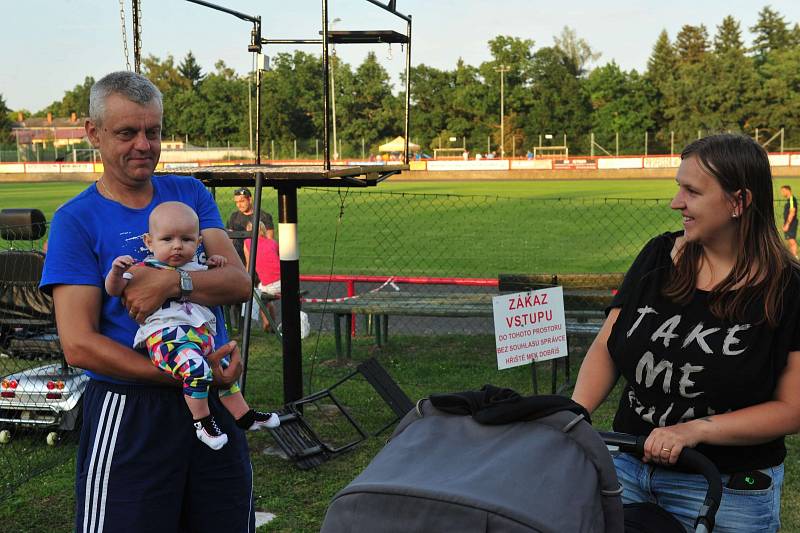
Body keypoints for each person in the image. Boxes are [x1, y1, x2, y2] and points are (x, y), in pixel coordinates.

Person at [40, 71, 257, 532]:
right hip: (131, 409)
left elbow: (239, 281)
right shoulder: (75, 221)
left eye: (153, 131)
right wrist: (187, 373)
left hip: (212, 400)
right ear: (93, 133)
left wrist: (171, 283)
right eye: (127, 132)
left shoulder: (190, 195)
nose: (144, 144)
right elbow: (79, 345)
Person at [572, 134, 800, 532]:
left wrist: (694, 431)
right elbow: (608, 346)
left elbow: (792, 407)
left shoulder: (788, 289)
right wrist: (574, 416)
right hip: (624, 472)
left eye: (692, 191)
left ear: (739, 202)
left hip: (728, 492)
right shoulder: (659, 256)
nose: (676, 203)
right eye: (679, 187)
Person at [105, 201, 280, 450]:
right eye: (167, 239)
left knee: (226, 371)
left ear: (198, 243)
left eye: (186, 240)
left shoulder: (196, 267)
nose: (177, 246)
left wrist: (216, 263)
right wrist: (115, 272)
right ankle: (203, 422)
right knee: (197, 370)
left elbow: (229, 282)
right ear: (149, 242)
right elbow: (114, 290)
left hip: (199, 337)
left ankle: (244, 416)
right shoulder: (143, 268)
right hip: (166, 338)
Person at [226, 186, 273, 329]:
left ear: (250, 199)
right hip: (239, 260)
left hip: (257, 261)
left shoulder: (263, 216)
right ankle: (239, 327)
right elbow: (229, 239)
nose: (239, 204)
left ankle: (269, 325)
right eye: (236, 202)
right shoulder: (234, 217)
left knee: (262, 296)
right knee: (237, 295)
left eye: (242, 201)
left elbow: (269, 241)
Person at [243, 220, 280, 332]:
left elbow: (249, 266)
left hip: (270, 284)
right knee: (265, 295)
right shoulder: (273, 242)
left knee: (257, 294)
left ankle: (267, 324)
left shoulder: (248, 243)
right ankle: (272, 325)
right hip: (284, 281)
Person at [780, 185, 797, 258]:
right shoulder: (789, 200)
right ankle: (792, 257)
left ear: (788, 190)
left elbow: (792, 212)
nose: (782, 193)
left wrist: (787, 224)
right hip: (789, 223)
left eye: (783, 191)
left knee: (791, 240)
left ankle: (795, 257)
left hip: (791, 223)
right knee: (789, 240)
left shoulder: (791, 199)